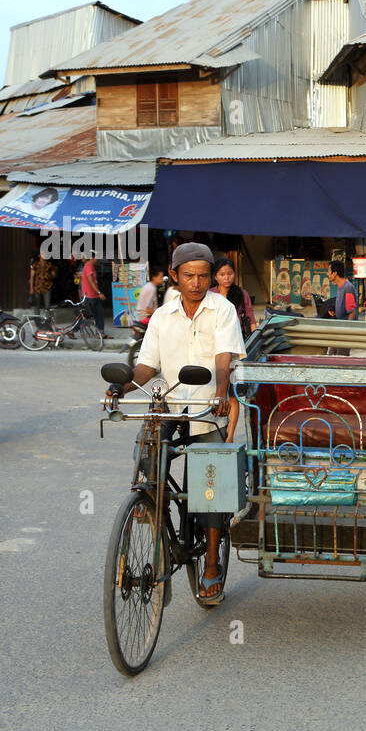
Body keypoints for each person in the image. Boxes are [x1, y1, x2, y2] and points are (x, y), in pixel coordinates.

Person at [126, 242, 245, 604]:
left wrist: (222, 393)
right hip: (171, 402)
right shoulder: (162, 316)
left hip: (208, 405)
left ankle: (211, 563)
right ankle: (155, 512)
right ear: (175, 276)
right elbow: (148, 364)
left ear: (211, 278)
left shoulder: (222, 309)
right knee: (146, 451)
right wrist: (123, 383)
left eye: (203, 276)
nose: (196, 283)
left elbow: (223, 358)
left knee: (211, 484)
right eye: (189, 276)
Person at [212, 257, 256, 337]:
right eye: (222, 274)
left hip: (237, 336)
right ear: (215, 277)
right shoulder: (210, 294)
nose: (226, 278)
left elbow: (250, 317)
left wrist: (253, 337)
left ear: (234, 273)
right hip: (215, 336)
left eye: (230, 273)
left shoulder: (242, 293)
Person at [81, 252, 105, 332]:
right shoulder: (88, 266)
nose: (97, 259)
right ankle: (72, 330)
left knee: (99, 314)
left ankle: (101, 332)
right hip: (89, 296)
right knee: (86, 316)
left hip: (94, 295)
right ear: (92, 258)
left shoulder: (90, 266)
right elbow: (90, 281)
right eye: (96, 258)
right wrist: (99, 293)